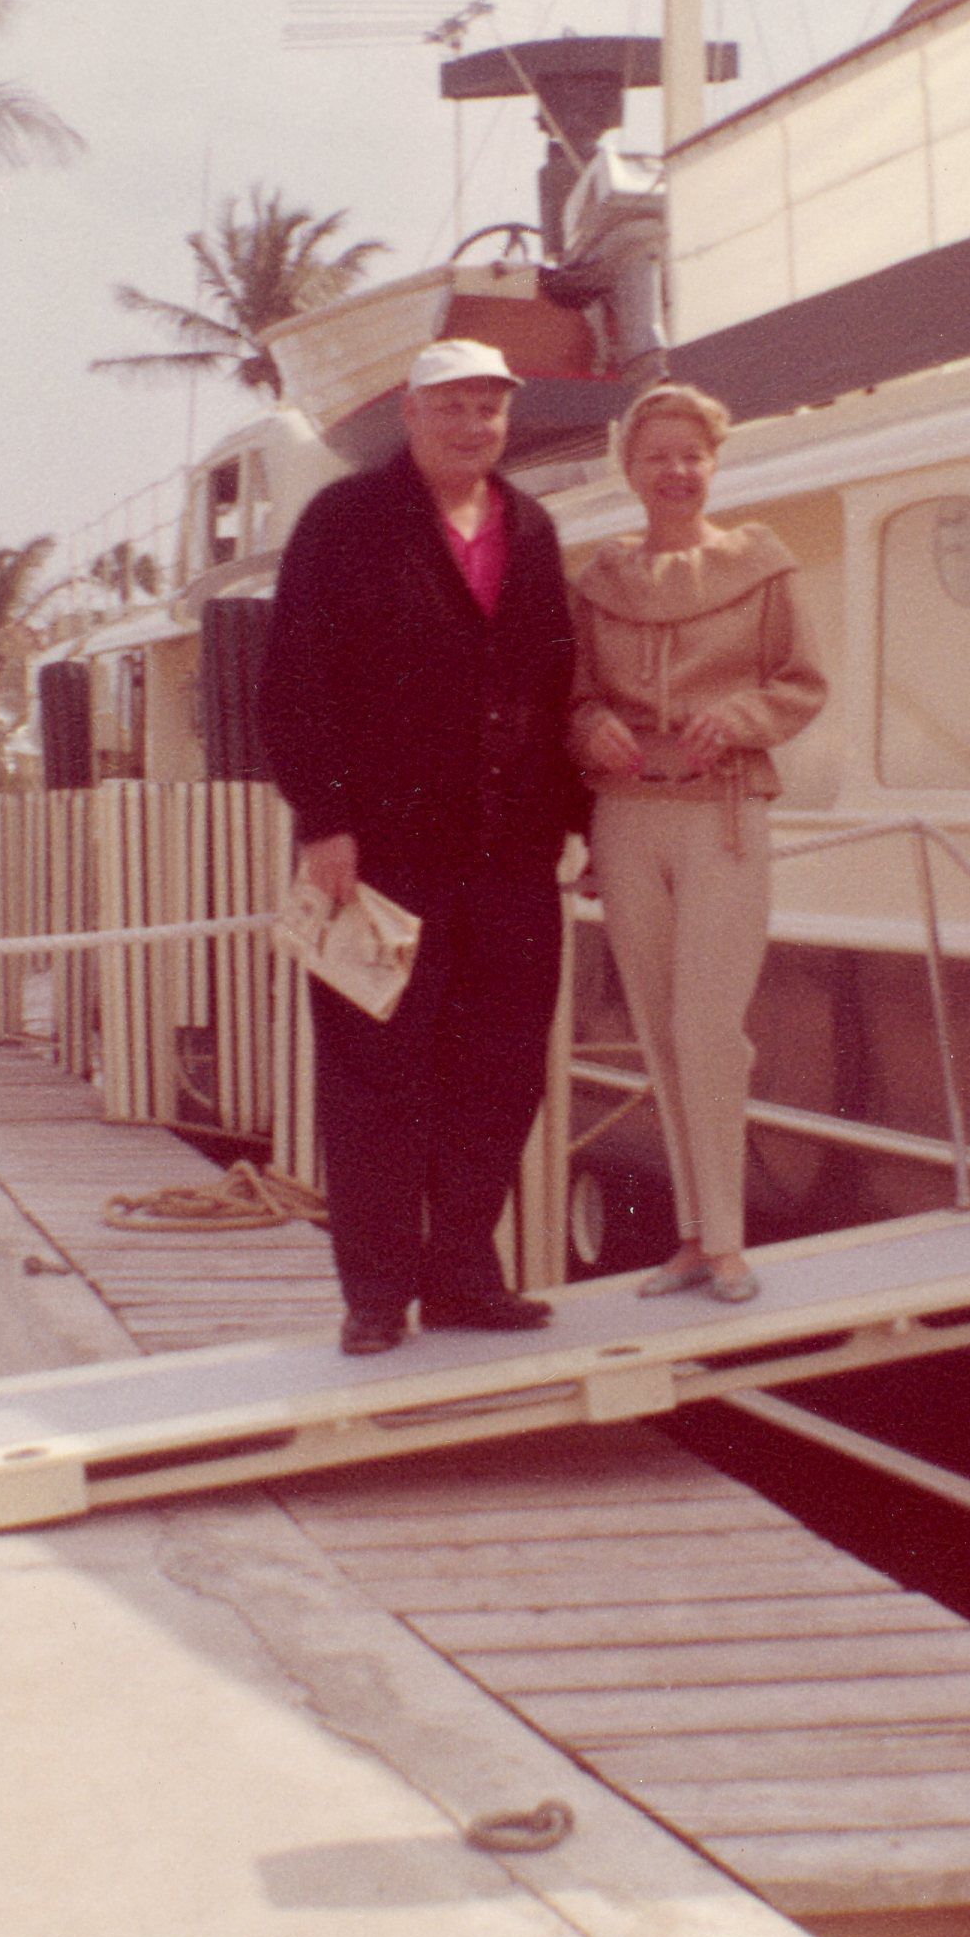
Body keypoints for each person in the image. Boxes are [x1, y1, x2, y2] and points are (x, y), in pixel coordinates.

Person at [260, 339, 583, 1357]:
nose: (473, 424)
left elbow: (554, 679)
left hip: (510, 856)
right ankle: (375, 1292)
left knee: (501, 1071)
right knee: (375, 1074)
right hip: (382, 853)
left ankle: (462, 1277)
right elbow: (292, 677)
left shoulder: (531, 527)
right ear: (409, 412)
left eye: (489, 406)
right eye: (452, 405)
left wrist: (575, 822)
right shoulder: (343, 520)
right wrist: (323, 820)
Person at [569, 383, 826, 1302]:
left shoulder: (762, 565)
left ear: (714, 463)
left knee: (707, 1026)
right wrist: (589, 729)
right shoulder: (597, 582)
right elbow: (570, 697)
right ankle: (690, 1236)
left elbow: (800, 683)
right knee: (658, 1028)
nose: (676, 471)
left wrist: (742, 717)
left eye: (692, 455)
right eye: (657, 457)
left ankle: (726, 1243)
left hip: (724, 812)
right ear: (629, 470)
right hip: (626, 817)